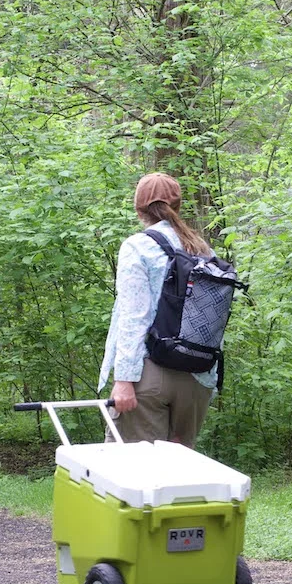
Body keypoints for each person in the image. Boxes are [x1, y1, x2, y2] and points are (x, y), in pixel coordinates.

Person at [97, 173, 216, 447]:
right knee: (178, 475)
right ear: (179, 206)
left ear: (138, 209)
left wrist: (124, 379)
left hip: (149, 374)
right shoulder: (201, 248)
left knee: (133, 474)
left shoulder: (137, 247)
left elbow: (133, 316)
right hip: (197, 376)